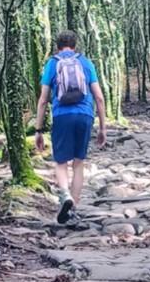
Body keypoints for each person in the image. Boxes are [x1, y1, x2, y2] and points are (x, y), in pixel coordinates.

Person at [34, 29, 107, 224]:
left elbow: (42, 100)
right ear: (75, 46)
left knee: (60, 161)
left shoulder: (52, 63)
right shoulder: (85, 62)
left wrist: (38, 130)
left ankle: (65, 193)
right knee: (78, 163)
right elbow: (99, 97)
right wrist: (102, 127)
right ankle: (73, 208)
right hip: (85, 115)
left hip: (61, 116)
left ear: (57, 47)